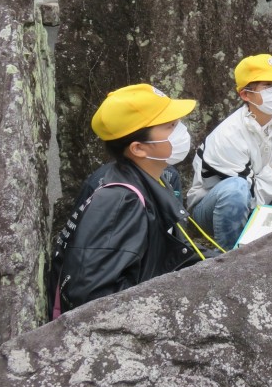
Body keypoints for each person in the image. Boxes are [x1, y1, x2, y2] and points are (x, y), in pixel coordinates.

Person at [50, 84, 202, 316]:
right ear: (138, 148)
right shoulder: (122, 200)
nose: (182, 130)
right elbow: (93, 298)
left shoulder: (158, 177)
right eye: (171, 125)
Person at [188, 54, 272, 248]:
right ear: (245, 94)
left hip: (269, 201)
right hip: (213, 210)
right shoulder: (229, 134)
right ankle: (231, 258)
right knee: (236, 190)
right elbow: (247, 200)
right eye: (268, 86)